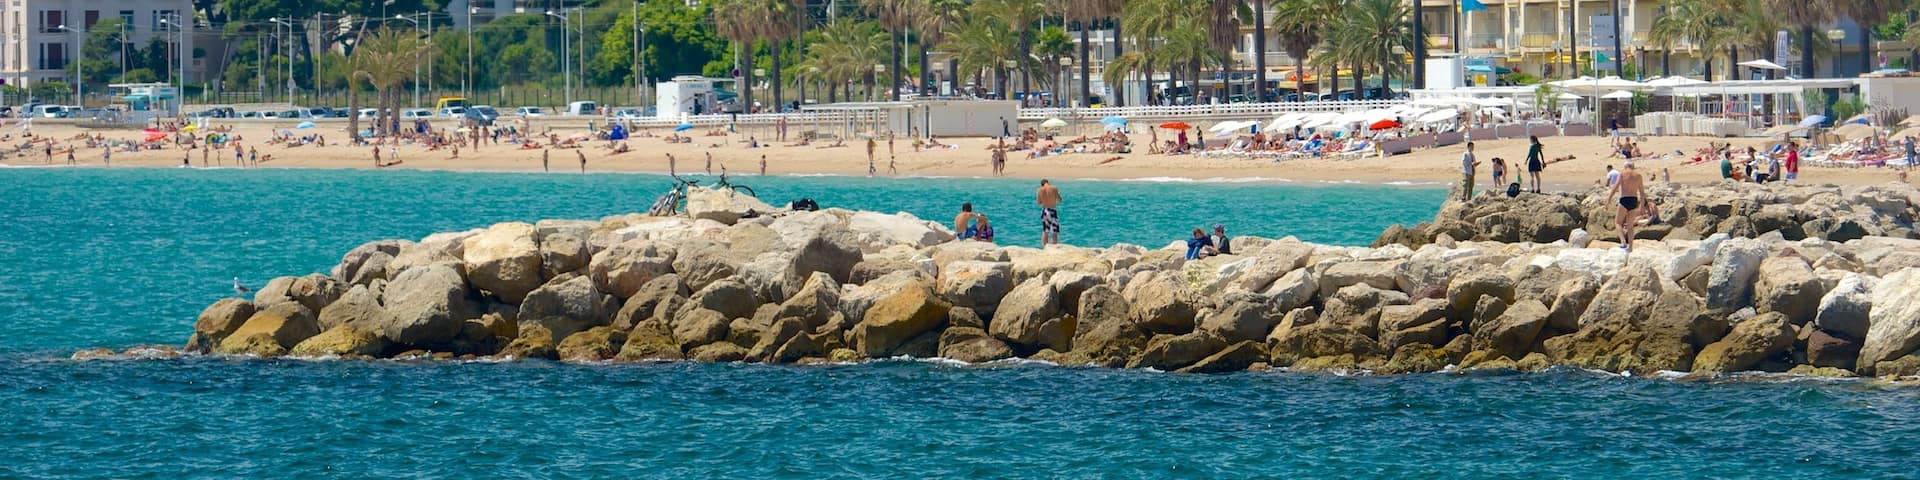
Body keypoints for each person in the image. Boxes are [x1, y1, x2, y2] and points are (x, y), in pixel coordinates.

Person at [1608, 161, 1646, 252]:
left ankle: (1623, 241)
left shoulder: (1622, 173)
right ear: (1633, 167)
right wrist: (1642, 206)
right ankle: (1631, 247)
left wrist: (1608, 199)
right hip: (1633, 200)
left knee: (1618, 222)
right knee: (1630, 226)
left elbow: (1615, 187)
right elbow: (1642, 192)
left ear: (1625, 167)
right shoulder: (1638, 176)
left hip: (1624, 199)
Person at [1037, 179, 1062, 245]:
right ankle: (1054, 247)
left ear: (1042, 184)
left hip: (1045, 211)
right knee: (1054, 231)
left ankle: (1045, 248)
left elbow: (1039, 202)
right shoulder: (1054, 188)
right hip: (1052, 210)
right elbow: (1059, 200)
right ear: (1048, 182)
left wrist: (1045, 199)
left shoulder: (1040, 190)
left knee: (1045, 231)